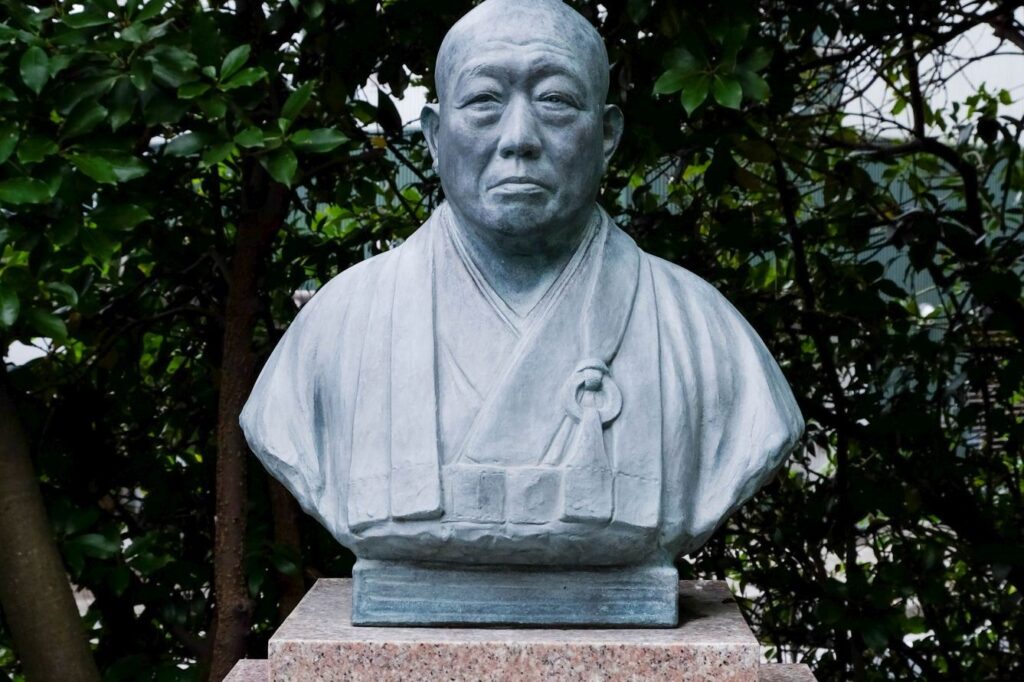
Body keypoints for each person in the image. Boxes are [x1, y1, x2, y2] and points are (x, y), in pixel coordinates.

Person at [241, 0, 803, 571]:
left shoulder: (701, 334)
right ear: (434, 137)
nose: (518, 138)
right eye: (485, 101)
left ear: (606, 135)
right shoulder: (338, 329)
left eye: (555, 101)